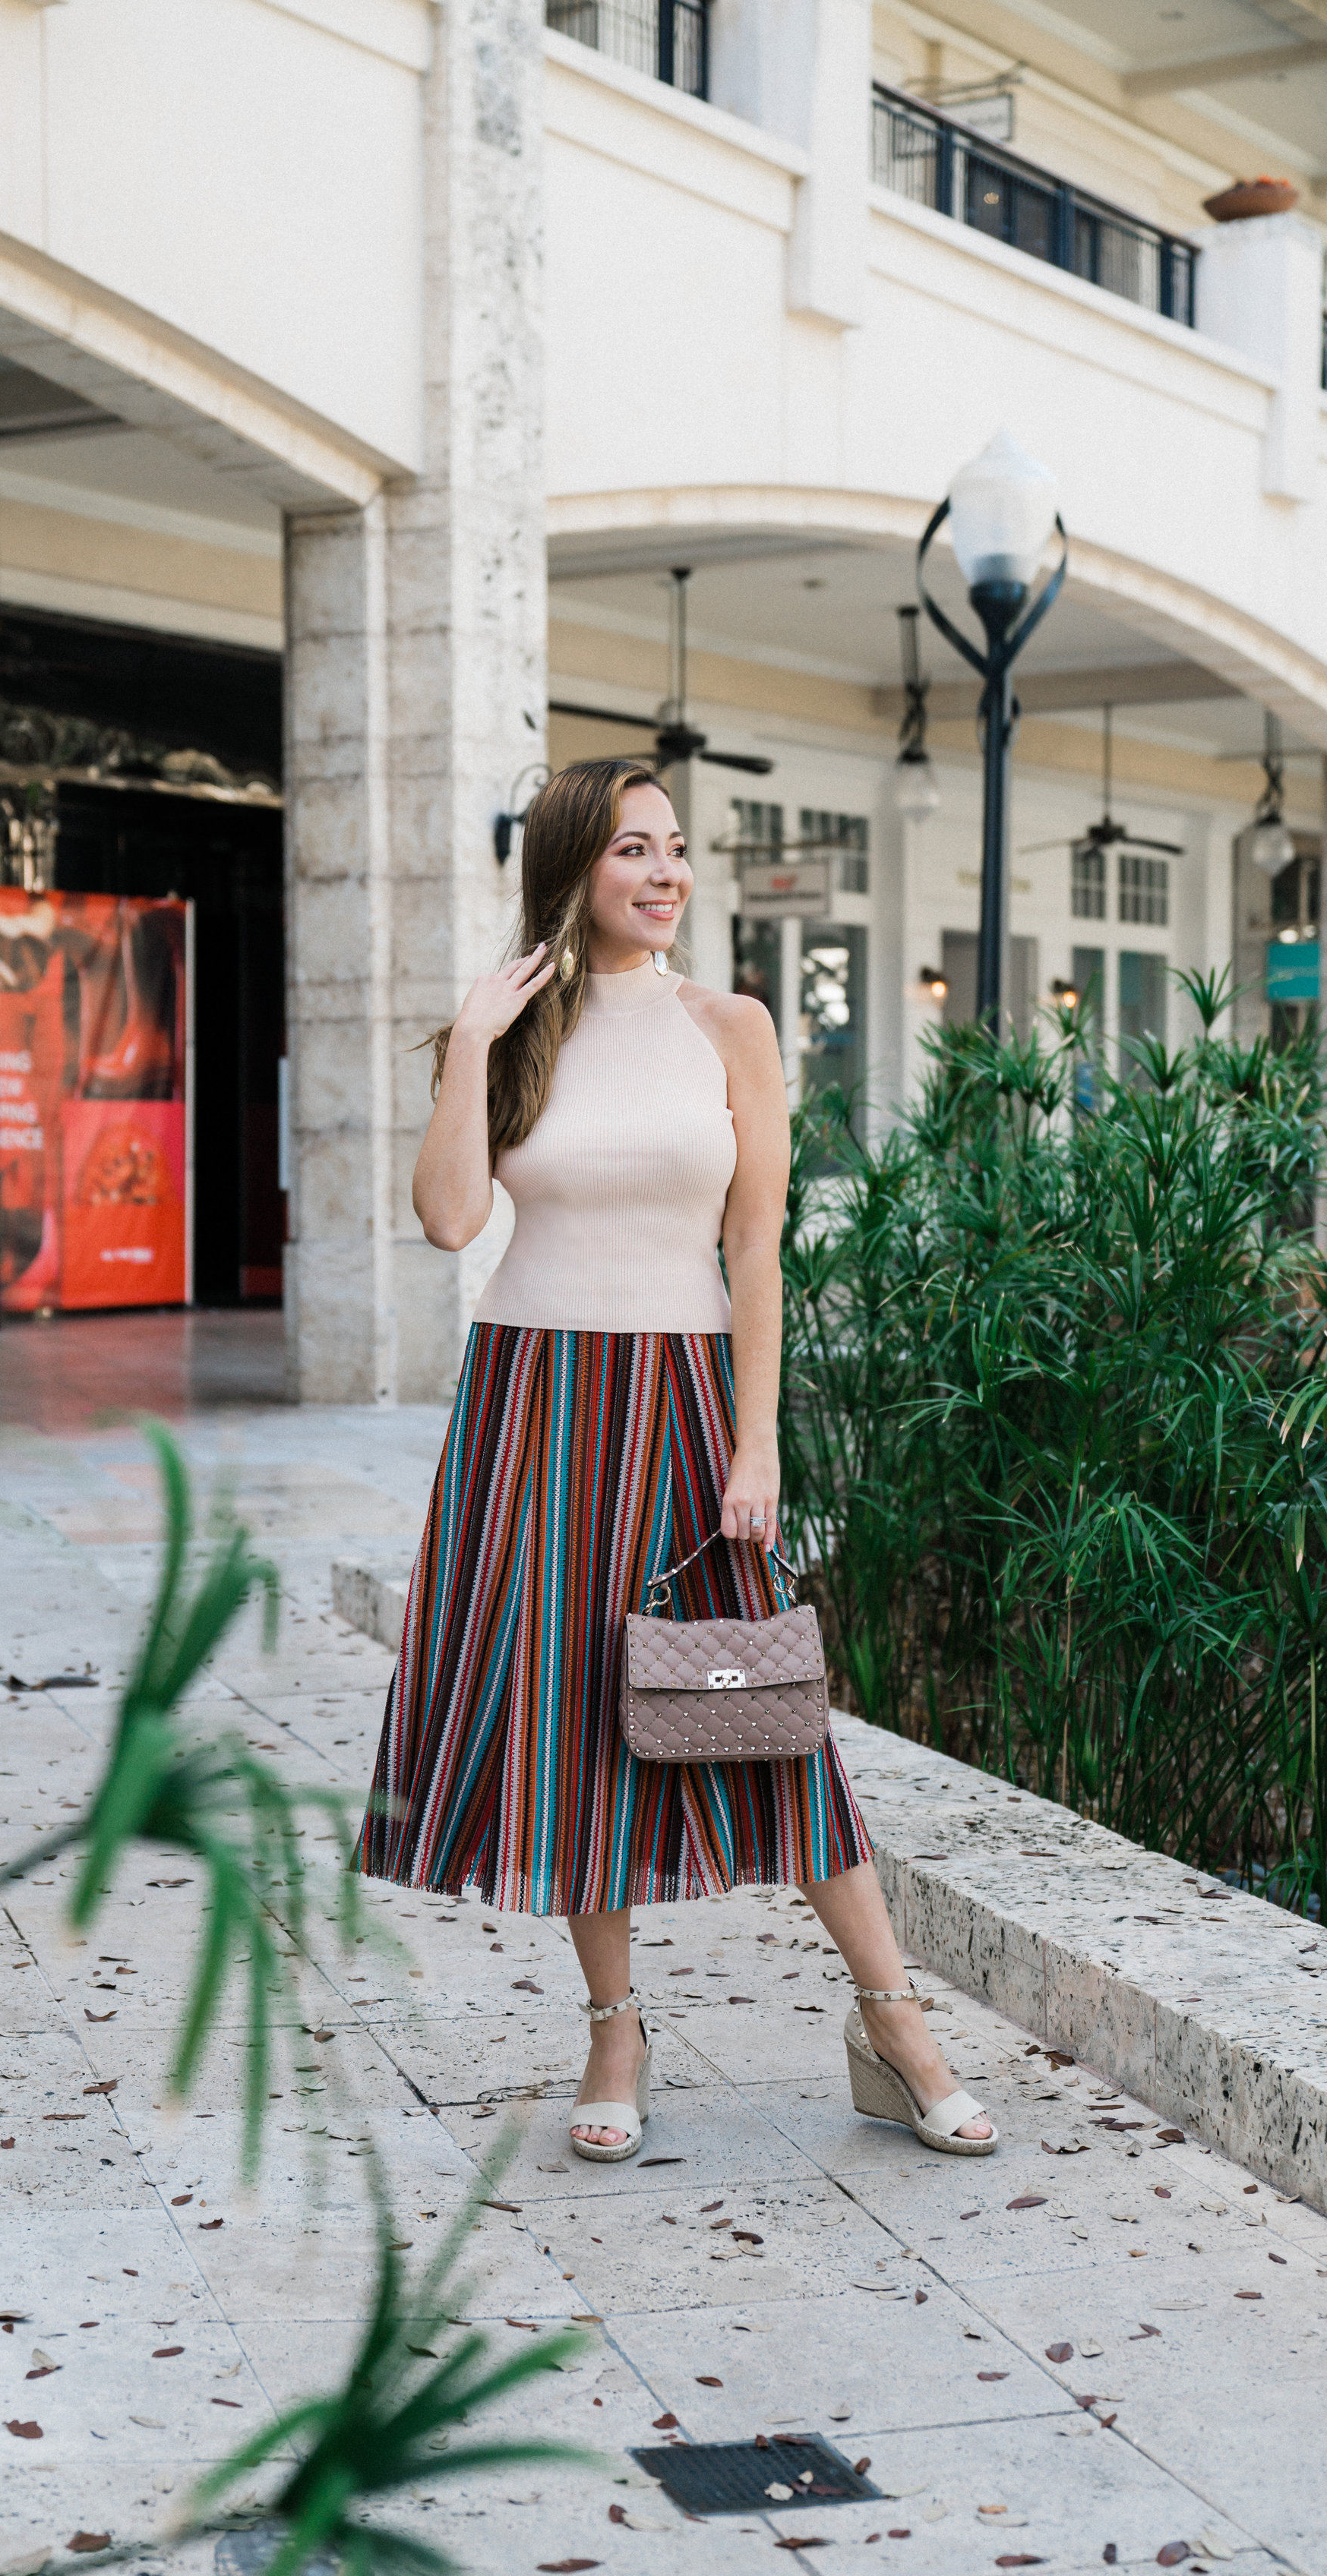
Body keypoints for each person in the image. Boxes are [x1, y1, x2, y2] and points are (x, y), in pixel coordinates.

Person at [355, 758, 994, 2163]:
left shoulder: (733, 1027)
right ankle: (615, 2027)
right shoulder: (515, 1029)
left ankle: (896, 2023)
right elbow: (452, 1220)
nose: (663, 872)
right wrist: (467, 1047)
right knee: (581, 1716)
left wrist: (758, 1439)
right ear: (576, 867)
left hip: (688, 1397)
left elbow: (756, 1246)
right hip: (531, 1402)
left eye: (676, 848)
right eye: (632, 849)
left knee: (769, 1714)